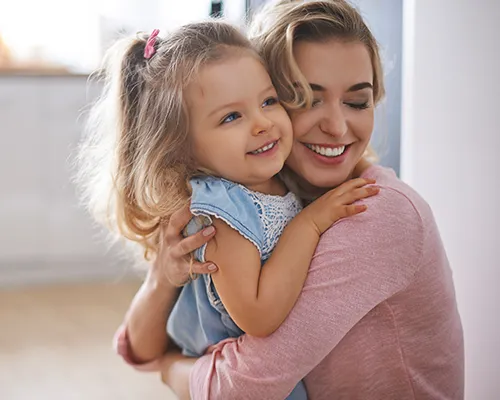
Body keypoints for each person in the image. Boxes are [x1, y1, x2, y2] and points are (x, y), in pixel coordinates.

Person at [115, 1, 465, 399]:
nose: (336, 127)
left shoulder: (375, 213)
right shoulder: (249, 196)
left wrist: (169, 369)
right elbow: (138, 347)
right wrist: (163, 277)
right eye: (306, 98)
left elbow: (236, 388)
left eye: (357, 101)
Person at [77, 15, 379, 400]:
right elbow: (258, 317)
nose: (262, 123)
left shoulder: (272, 177)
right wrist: (311, 223)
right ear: (182, 149)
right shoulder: (223, 215)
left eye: (268, 101)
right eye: (231, 116)